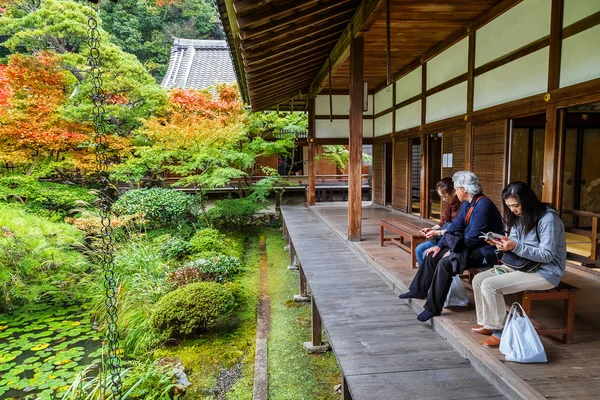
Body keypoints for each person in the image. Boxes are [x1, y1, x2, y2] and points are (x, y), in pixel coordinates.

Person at [471, 181, 567, 348]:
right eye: (509, 206)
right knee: (478, 279)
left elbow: (547, 255)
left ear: (527, 201)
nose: (512, 210)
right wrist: (501, 243)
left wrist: (515, 246)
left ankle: (499, 331)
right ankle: (488, 323)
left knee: (490, 285)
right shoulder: (518, 217)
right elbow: (515, 242)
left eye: (515, 205)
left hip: (545, 271)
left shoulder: (548, 219)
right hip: (523, 265)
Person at [399, 171, 504, 322]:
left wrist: (453, 251)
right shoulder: (468, 203)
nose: (455, 192)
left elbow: (473, 239)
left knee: (446, 263)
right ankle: (418, 290)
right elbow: (455, 227)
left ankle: (432, 308)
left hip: (486, 250)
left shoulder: (483, 205)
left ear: (464, 189)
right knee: (432, 254)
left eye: (456, 188)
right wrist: (440, 246)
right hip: (469, 246)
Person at [416, 177, 462, 266]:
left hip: (452, 238)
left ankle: (432, 277)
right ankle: (425, 277)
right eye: (441, 197)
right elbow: (443, 221)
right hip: (443, 236)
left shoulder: (463, 206)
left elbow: (457, 229)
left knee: (426, 253)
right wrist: (431, 229)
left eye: (444, 196)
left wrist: (437, 233)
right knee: (419, 249)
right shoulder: (450, 204)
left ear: (454, 192)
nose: (443, 200)